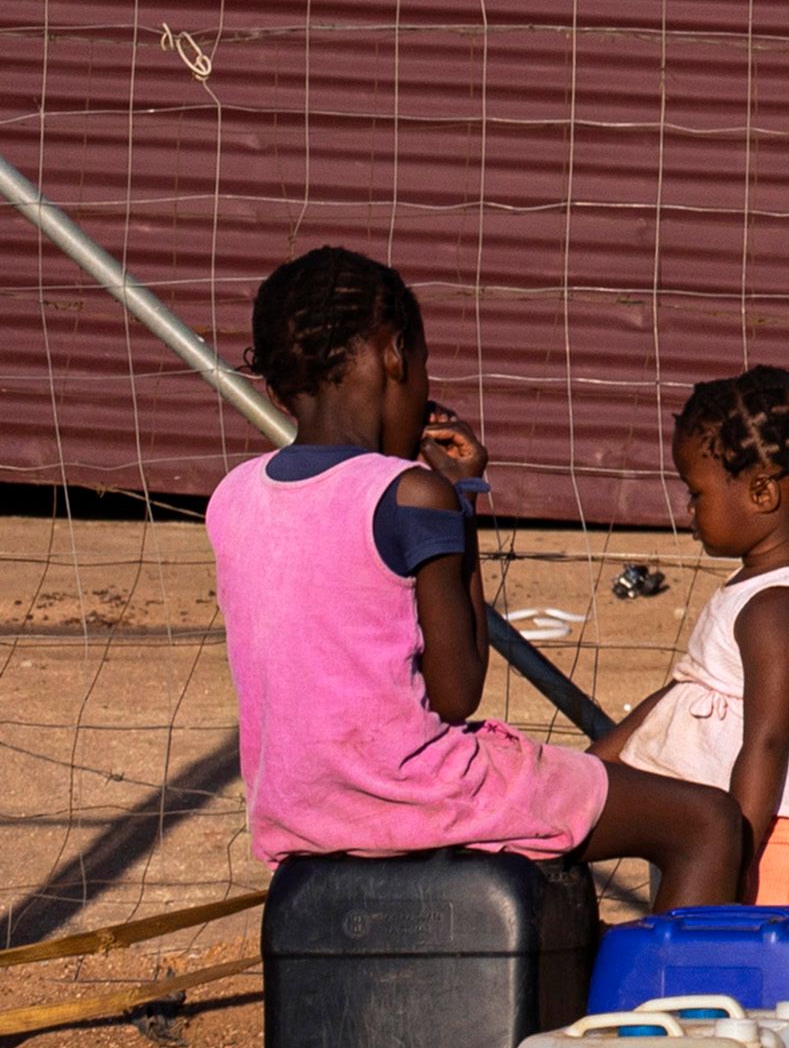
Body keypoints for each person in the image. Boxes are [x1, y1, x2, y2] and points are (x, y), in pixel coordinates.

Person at [208, 247, 747, 905]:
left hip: (297, 811)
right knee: (706, 822)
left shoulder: (233, 497)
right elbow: (457, 691)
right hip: (419, 796)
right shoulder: (411, 495)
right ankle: (663, 1007)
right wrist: (458, 501)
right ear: (397, 355)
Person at [613, 366, 789, 907]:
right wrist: (594, 766)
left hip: (782, 838)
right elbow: (682, 692)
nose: (689, 510)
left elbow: (768, 742)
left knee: (755, 973)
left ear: (761, 492)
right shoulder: (753, 588)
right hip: (745, 829)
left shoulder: (775, 609)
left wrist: (734, 857)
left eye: (696, 492)